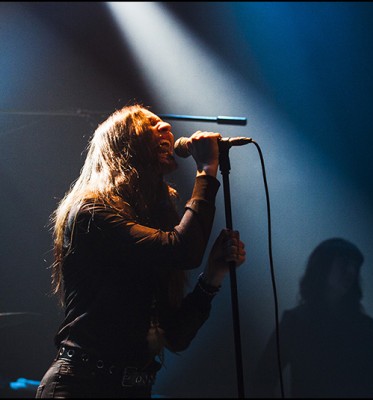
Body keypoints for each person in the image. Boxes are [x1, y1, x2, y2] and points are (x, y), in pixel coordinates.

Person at [35, 104, 246, 398]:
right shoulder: (90, 213)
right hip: (82, 386)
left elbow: (176, 336)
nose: (166, 128)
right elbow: (182, 251)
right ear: (122, 145)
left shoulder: (155, 221)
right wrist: (207, 171)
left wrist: (212, 276)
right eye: (148, 124)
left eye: (164, 124)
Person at [255, 238, 373, 398]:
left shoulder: (363, 325)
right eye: (344, 263)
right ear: (322, 267)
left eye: (355, 266)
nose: (352, 272)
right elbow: (264, 378)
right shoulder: (296, 322)